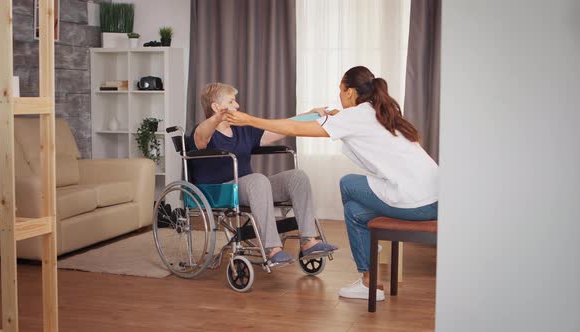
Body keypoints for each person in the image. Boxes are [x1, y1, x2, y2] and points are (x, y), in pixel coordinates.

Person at [225, 66, 438, 301]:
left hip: (416, 202)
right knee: (355, 211)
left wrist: (248, 119)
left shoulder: (355, 116)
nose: (339, 95)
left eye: (340, 90)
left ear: (350, 92)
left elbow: (294, 128)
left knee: (347, 183)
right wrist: (337, 119)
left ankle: (367, 247)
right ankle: (368, 283)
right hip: (435, 198)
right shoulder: (380, 113)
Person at [186, 83, 338, 266]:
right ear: (216, 106)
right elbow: (202, 135)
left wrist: (311, 114)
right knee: (257, 180)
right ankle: (272, 249)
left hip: (251, 187)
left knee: (298, 177)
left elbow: (282, 127)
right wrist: (216, 118)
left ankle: (308, 241)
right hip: (220, 191)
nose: (237, 106)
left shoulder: (243, 130)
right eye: (232, 102)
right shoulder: (202, 132)